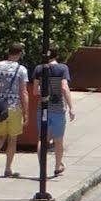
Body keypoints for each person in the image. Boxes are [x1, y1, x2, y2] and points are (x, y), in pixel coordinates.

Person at [0, 44, 28, 179]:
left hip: (0, 106)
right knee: (12, 138)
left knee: (0, 136)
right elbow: (23, 92)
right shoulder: (21, 70)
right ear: (20, 54)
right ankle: (8, 169)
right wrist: (26, 112)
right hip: (14, 107)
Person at [35, 46, 73, 181]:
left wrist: (46, 93)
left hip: (43, 108)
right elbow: (64, 87)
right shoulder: (63, 69)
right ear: (56, 55)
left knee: (42, 139)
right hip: (58, 109)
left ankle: (42, 169)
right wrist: (71, 107)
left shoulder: (39, 69)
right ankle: (57, 166)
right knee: (58, 140)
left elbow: (35, 91)